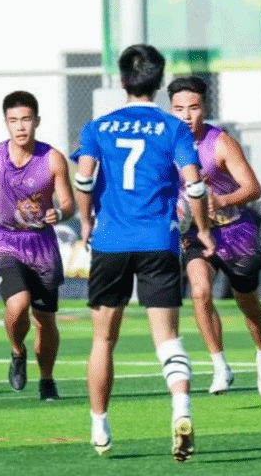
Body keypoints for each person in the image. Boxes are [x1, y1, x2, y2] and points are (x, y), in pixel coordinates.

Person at [71, 44, 215, 461]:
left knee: (103, 339)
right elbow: (195, 186)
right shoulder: (173, 128)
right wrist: (204, 230)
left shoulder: (97, 127)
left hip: (111, 242)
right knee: (167, 338)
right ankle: (181, 409)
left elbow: (84, 181)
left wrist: (86, 222)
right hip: (158, 241)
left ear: (122, 80)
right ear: (159, 80)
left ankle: (99, 427)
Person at [0, 90, 75, 400]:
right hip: (4, 241)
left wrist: (60, 213)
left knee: (45, 320)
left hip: (41, 246)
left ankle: (47, 380)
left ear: (37, 121)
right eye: (14, 120)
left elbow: (68, 203)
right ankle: (17, 350)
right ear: (6, 123)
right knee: (18, 303)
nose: (20, 126)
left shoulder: (52, 159)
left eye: (26, 119)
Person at [168, 76, 261, 400]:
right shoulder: (165, 146)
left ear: (205, 108)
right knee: (200, 292)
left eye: (193, 108)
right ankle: (220, 366)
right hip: (196, 234)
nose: (186, 116)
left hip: (235, 231)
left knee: (247, 302)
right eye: (179, 109)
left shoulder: (221, 143)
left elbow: (253, 188)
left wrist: (222, 200)